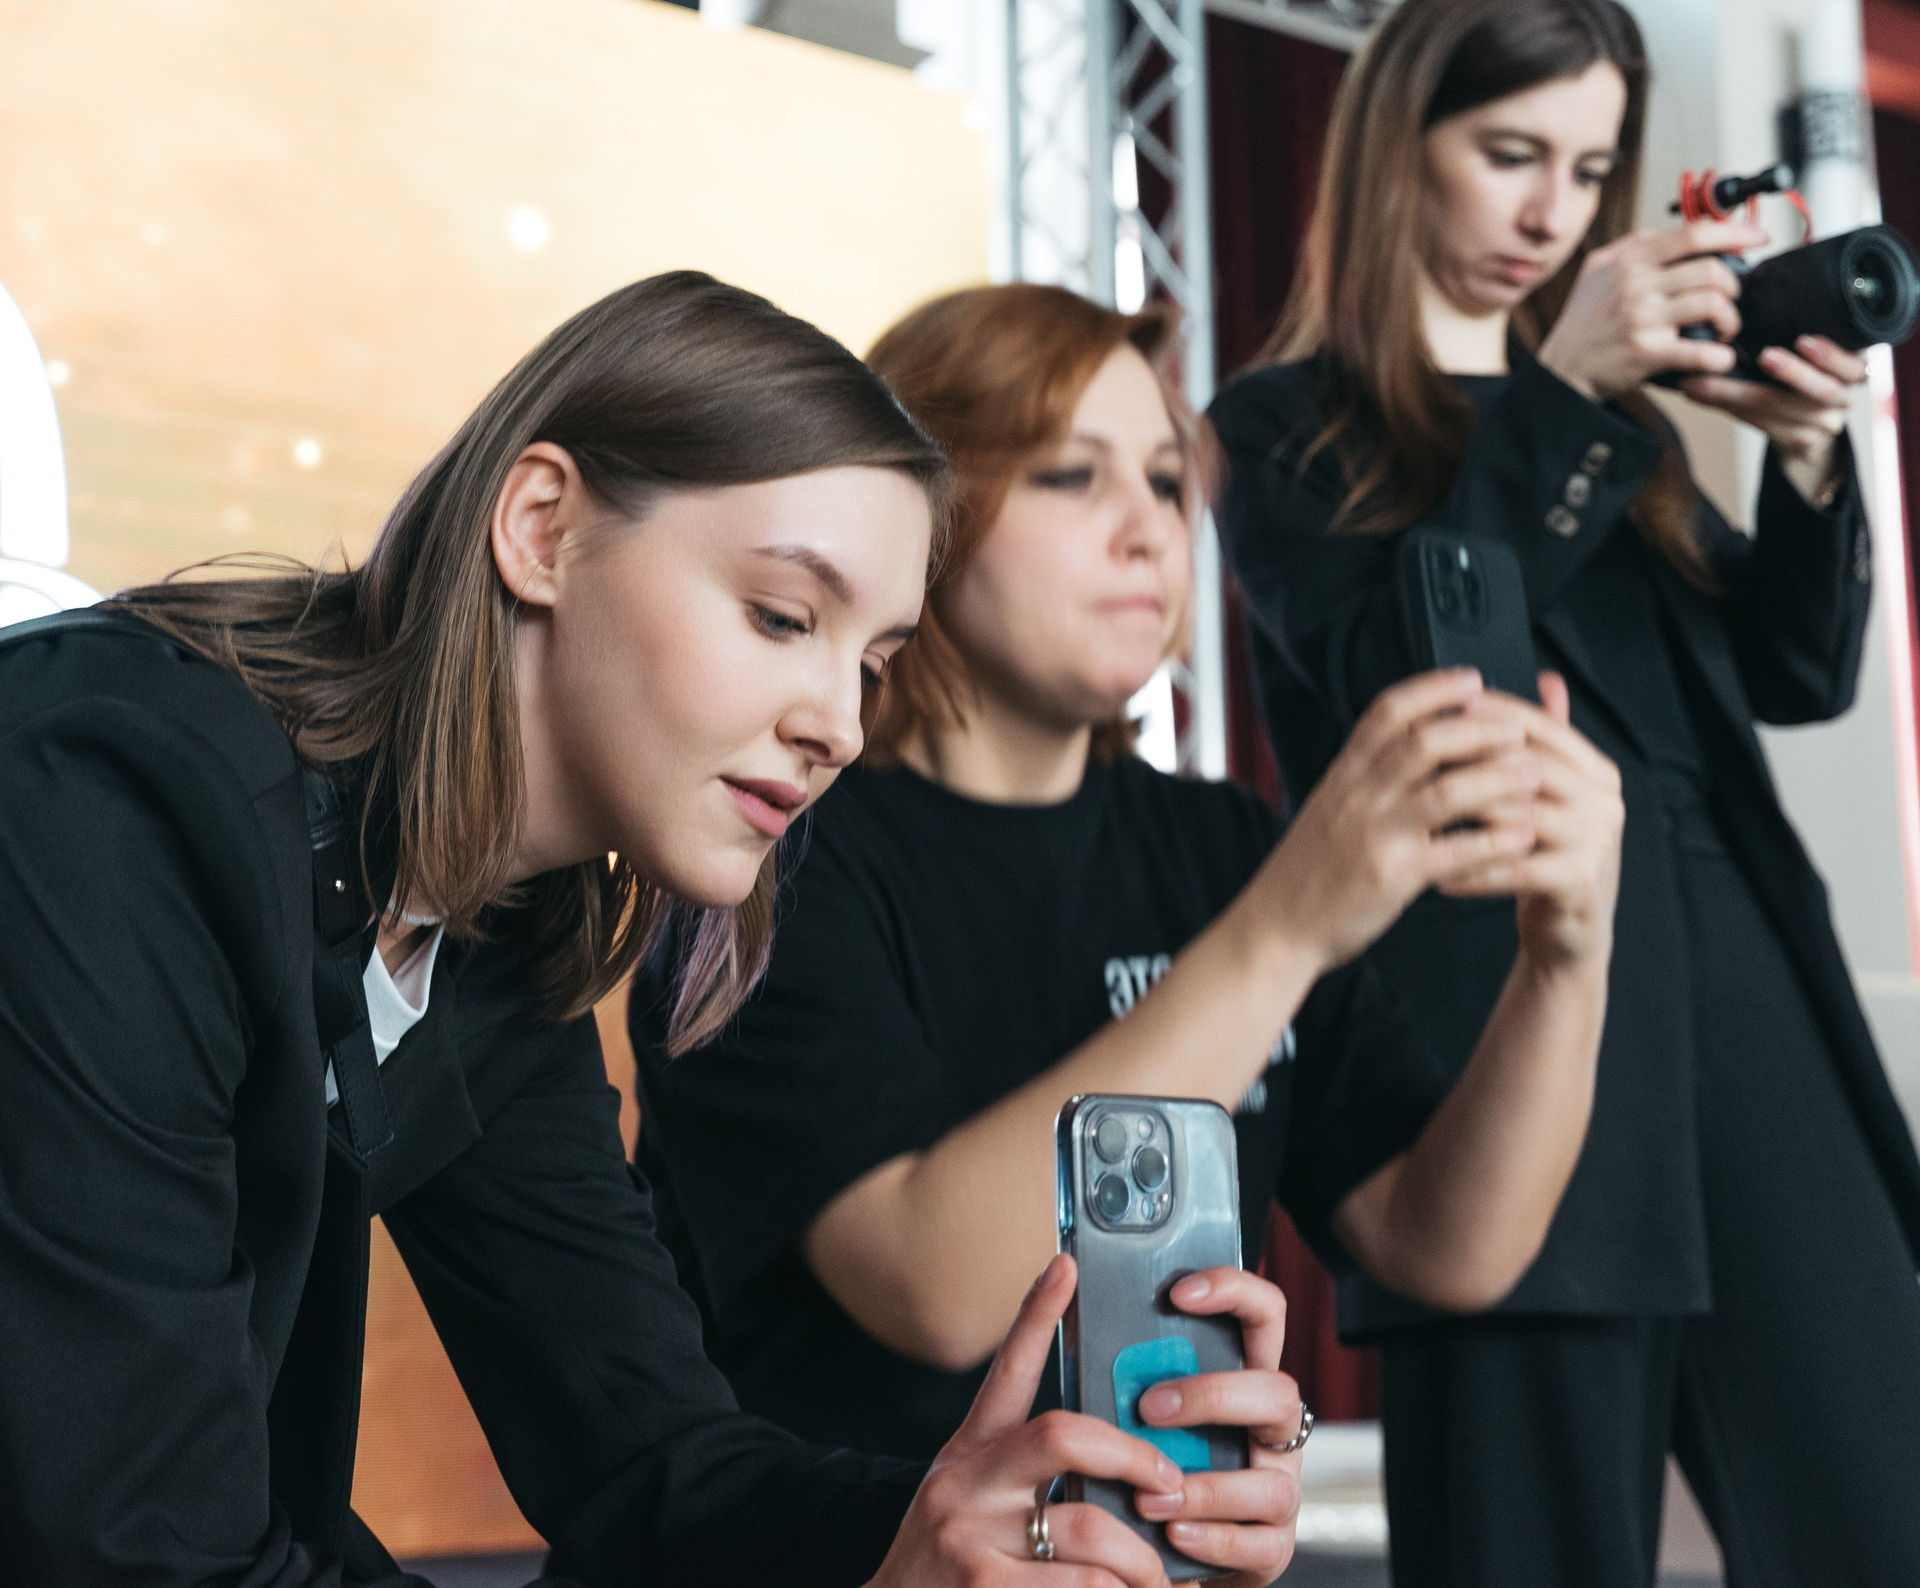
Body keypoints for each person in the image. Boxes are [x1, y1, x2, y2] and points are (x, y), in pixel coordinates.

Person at [0, 271, 1308, 1588]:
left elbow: (652, 1457)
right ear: (541, 523)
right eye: (783, 614)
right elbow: (150, 1553)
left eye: (870, 663)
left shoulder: (492, 934)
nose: (835, 720)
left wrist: (984, 1516)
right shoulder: (111, 819)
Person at [1206, 0, 1920, 1587]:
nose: (1551, 209)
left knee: (1896, 1523)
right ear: (1395, 143)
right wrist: (1559, 391)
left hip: (1748, 1004)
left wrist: (1805, 459)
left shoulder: (1615, 443)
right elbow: (1412, 681)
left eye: (1585, 167)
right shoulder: (1285, 427)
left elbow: (1793, 676)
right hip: (1499, 1026)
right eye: (1510, 153)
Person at [627, 283, 1623, 1513]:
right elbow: (934, 1284)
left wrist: (1566, 954)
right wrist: (1288, 925)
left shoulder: (1218, 844)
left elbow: (1444, 1240)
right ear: (922, 516)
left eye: (1163, 480)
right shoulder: (775, 846)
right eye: (1069, 476)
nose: (1149, 529)